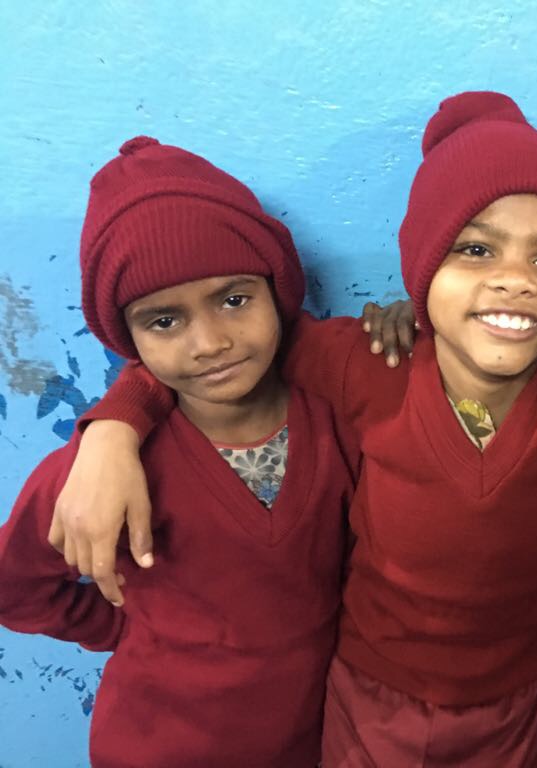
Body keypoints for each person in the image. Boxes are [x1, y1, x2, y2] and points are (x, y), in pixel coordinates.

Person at [45, 92, 537, 766]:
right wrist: (116, 422)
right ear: (425, 264)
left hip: (514, 707)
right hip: (372, 705)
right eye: (475, 250)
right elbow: (220, 353)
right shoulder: (371, 365)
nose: (515, 280)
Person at [0, 137, 352, 767]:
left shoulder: (339, 423)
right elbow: (14, 587)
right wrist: (127, 631)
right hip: (158, 748)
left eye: (234, 299)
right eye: (164, 321)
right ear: (126, 335)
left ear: (279, 289)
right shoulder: (96, 475)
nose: (210, 341)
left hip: (315, 742)